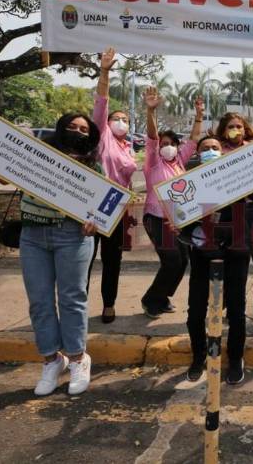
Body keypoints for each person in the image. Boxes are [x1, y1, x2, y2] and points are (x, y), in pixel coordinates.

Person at [185, 114, 253, 384]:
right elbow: (179, 215)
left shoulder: (243, 169)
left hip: (237, 245)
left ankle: (236, 358)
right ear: (198, 154)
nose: (212, 152)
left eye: (215, 148)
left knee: (236, 307)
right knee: (196, 308)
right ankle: (198, 356)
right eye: (206, 149)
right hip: (203, 249)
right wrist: (176, 227)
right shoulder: (190, 178)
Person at [19, 114, 100, 395]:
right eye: (72, 126)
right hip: (32, 236)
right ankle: (52, 360)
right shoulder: (38, 154)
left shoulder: (93, 166)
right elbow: (2, 175)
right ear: (60, 128)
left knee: (71, 298)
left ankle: (78, 358)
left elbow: (103, 206)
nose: (77, 131)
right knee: (39, 300)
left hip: (72, 236)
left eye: (83, 129)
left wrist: (95, 221)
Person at [140, 86, 205, 318]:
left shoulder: (179, 161)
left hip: (177, 219)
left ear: (176, 147)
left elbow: (194, 139)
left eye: (171, 143)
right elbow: (151, 136)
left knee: (182, 260)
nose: (166, 146)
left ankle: (162, 297)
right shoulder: (153, 162)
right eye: (163, 143)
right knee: (171, 260)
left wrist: (199, 115)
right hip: (155, 218)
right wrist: (150, 112)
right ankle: (150, 300)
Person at [88, 47, 137, 323]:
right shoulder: (102, 135)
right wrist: (104, 72)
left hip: (117, 209)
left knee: (112, 260)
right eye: (117, 119)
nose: (121, 122)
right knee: (84, 258)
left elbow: (128, 179)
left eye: (126, 120)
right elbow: (101, 101)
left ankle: (109, 303)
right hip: (91, 204)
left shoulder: (129, 147)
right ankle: (79, 303)